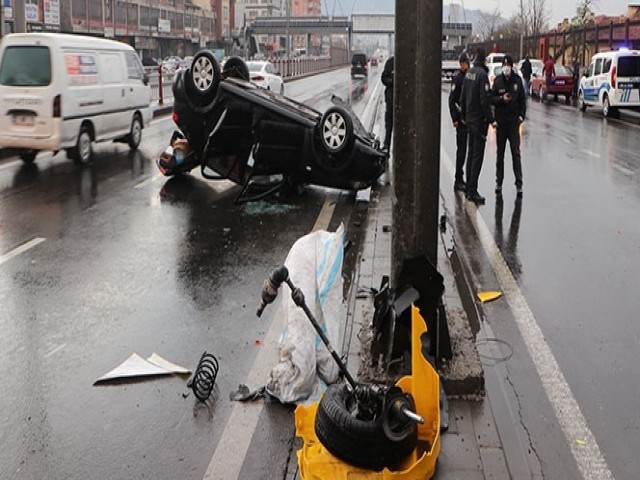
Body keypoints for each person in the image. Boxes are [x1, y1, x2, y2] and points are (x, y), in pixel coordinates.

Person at [460, 47, 496, 205]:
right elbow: (485, 101)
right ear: (484, 60)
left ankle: (468, 188)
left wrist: (464, 116)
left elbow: (462, 97)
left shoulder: (469, 73)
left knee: (470, 154)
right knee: (477, 157)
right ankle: (473, 190)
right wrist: (491, 119)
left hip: (469, 120)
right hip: (479, 122)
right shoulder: (482, 76)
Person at [491, 55, 526, 197]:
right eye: (504, 64)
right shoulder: (498, 81)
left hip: (513, 124)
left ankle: (519, 183)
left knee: (516, 154)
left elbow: (523, 101)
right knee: (500, 155)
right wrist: (501, 99)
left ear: (511, 66)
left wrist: (521, 116)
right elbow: (492, 99)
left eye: (508, 64)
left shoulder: (517, 81)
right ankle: (499, 182)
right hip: (501, 124)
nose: (506, 67)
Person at [448, 53, 471, 192]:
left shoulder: (470, 77)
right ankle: (458, 178)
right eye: (463, 63)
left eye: (466, 63)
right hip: (461, 120)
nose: (465, 65)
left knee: (469, 151)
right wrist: (455, 118)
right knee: (461, 150)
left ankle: (466, 178)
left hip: (470, 119)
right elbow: (452, 100)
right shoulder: (458, 79)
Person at [381, 56, 394, 152]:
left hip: (404, 101)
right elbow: (384, 78)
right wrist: (392, 81)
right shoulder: (390, 62)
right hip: (391, 99)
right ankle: (386, 146)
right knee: (389, 124)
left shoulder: (407, 62)